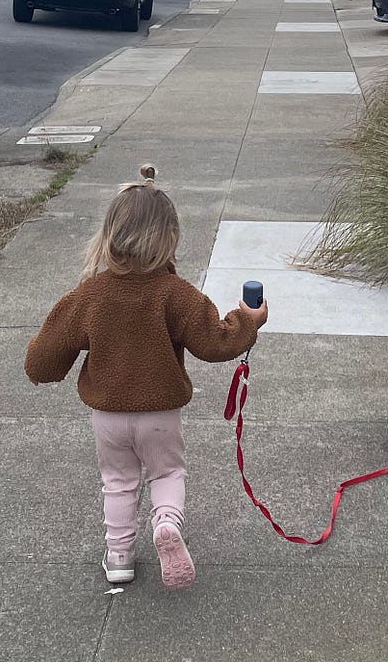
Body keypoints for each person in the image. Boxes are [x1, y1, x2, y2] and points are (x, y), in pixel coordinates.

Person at [25, 167, 267, 590]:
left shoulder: (89, 296)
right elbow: (214, 341)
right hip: (160, 413)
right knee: (167, 473)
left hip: (108, 417)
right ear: (169, 240)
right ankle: (166, 524)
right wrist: (247, 321)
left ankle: (119, 558)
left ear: (108, 237)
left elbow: (44, 359)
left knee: (117, 483)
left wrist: (42, 365)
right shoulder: (175, 294)